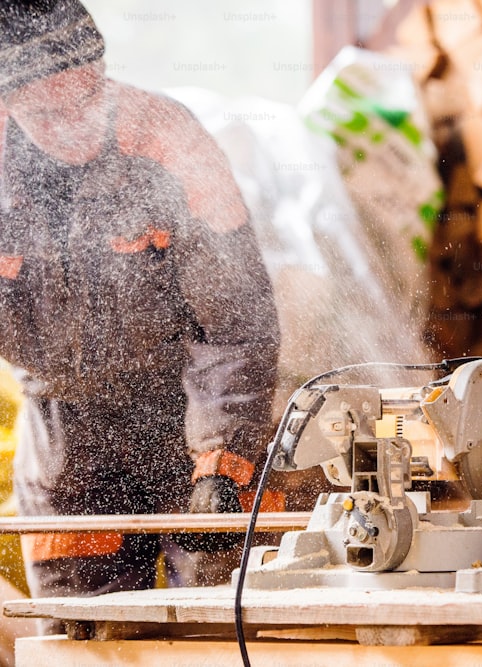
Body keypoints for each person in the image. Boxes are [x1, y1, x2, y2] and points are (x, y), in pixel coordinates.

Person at [0, 0, 281, 628]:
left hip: (188, 412)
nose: (75, 123)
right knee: (82, 637)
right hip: (64, 429)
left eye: (88, 97)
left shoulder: (170, 138)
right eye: (49, 112)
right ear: (8, 105)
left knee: (216, 623)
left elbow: (237, 321)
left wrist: (224, 461)